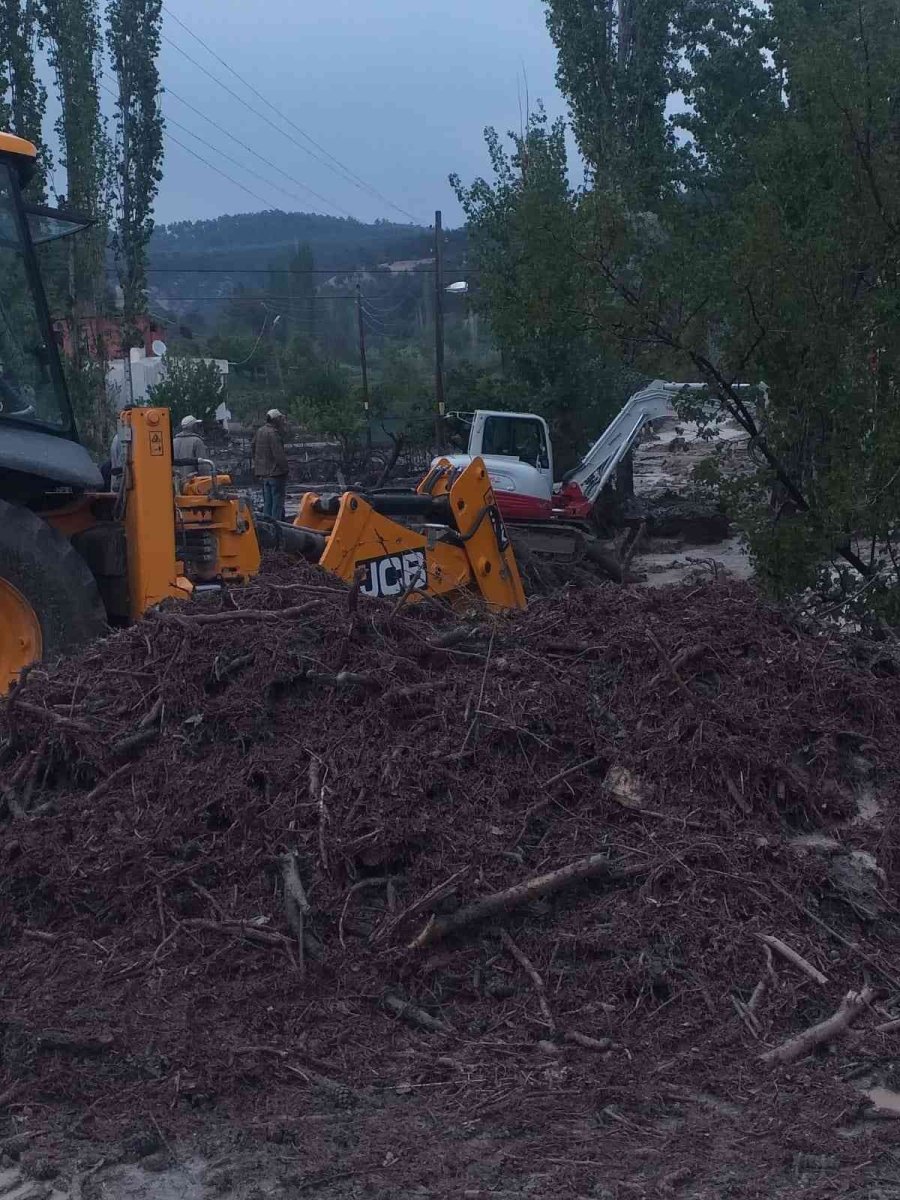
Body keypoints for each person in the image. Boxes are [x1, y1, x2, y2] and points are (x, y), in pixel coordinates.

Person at [253, 408, 289, 519]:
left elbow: (253, 447)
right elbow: (279, 454)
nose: (281, 421)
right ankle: (276, 528)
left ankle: (267, 528)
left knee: (267, 503)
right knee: (277, 504)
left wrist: (258, 465)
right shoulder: (273, 433)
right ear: (275, 419)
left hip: (264, 474)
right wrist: (286, 469)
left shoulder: (260, 431)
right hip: (275, 474)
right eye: (280, 418)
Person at [172, 415, 208, 491]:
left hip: (175, 485)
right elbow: (203, 467)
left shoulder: (173, 442)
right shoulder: (197, 441)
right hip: (192, 485)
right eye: (197, 425)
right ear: (193, 426)